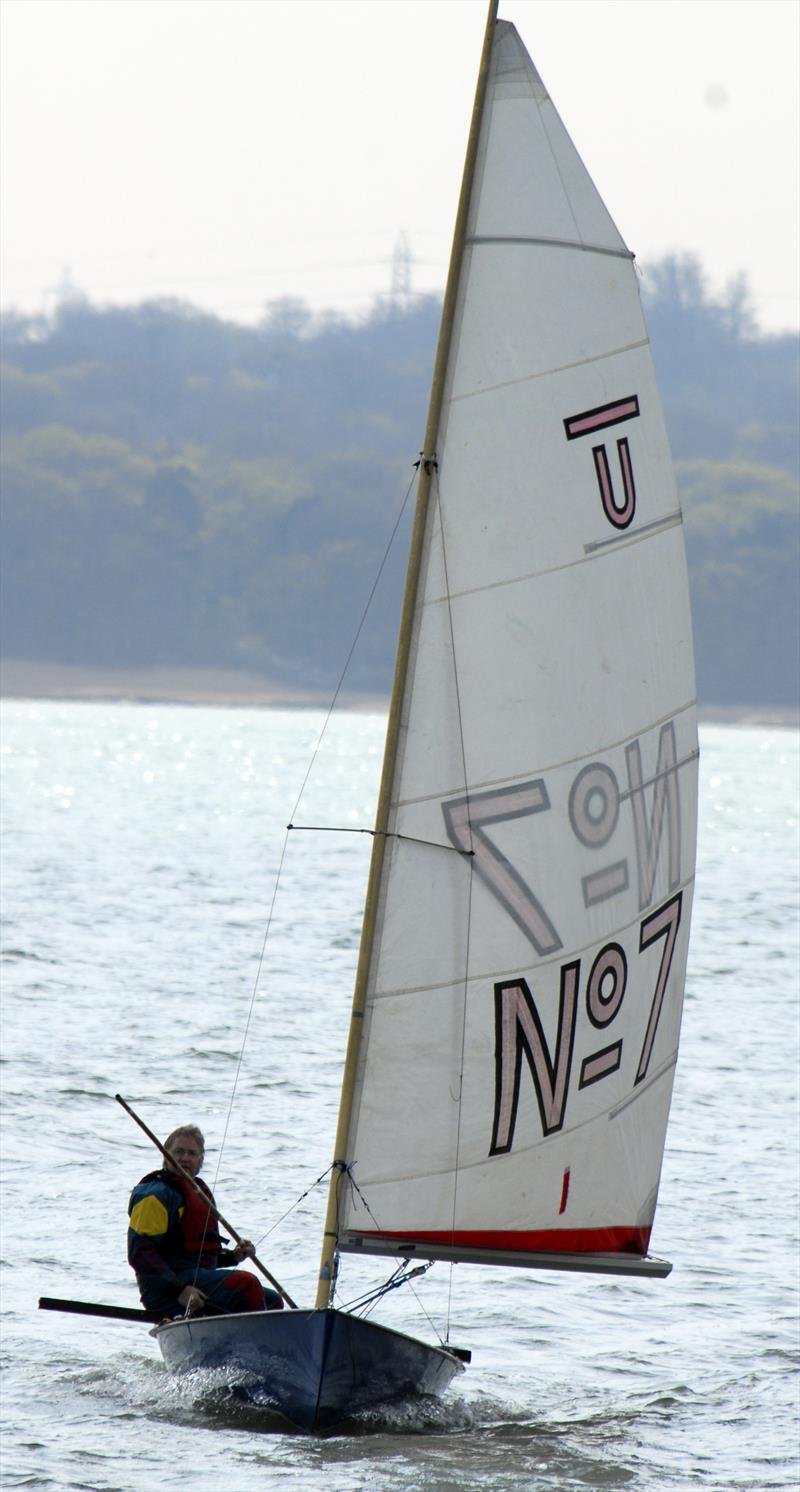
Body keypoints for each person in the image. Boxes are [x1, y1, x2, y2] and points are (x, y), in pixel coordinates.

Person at [127, 1123, 283, 1318]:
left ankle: (258, 1343)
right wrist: (180, 1289)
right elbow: (139, 1254)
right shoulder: (154, 1196)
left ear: (201, 1160)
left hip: (195, 1282)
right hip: (166, 1290)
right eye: (179, 1152)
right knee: (246, 1284)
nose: (184, 1158)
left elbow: (196, 1256)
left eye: (192, 1154)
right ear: (165, 1156)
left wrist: (233, 1257)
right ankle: (256, 1343)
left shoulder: (198, 1192)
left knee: (272, 1301)